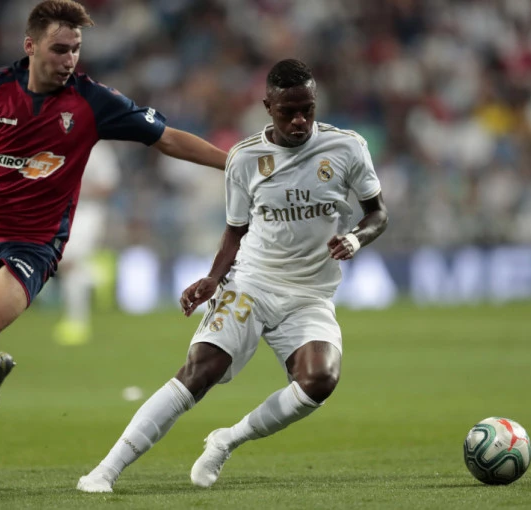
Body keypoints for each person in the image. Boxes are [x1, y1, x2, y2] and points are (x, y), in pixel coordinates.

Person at [0, 0, 227, 474]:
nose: (69, 59)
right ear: (30, 46)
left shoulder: (93, 101)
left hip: (34, 246)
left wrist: (233, 162)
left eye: (75, 49)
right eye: (59, 49)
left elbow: (166, 137)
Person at [76, 58, 388, 493]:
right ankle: (104, 471)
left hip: (310, 294)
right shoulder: (244, 158)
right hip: (252, 283)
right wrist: (212, 278)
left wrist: (355, 238)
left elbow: (378, 214)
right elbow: (234, 232)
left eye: (307, 110)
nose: (300, 121)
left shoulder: (347, 148)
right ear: (268, 107)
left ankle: (227, 440)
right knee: (199, 370)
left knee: (320, 381)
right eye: (288, 112)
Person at [53, 141, 120, 346]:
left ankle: (77, 323)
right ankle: (98, 276)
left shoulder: (99, 151)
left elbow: (108, 186)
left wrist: (75, 188)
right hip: (63, 213)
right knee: (66, 265)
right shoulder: (64, 144)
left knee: (70, 263)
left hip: (88, 213)